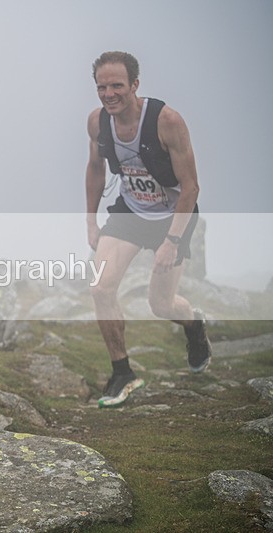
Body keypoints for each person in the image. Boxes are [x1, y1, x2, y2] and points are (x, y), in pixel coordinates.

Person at [85, 51, 212, 408]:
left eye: (117, 86)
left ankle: (193, 324)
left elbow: (190, 187)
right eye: (101, 87)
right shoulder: (98, 122)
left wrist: (172, 241)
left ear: (135, 85)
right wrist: (91, 220)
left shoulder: (167, 121)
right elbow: (95, 168)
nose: (109, 94)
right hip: (130, 213)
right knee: (99, 288)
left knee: (160, 304)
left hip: (173, 217)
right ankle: (123, 372)